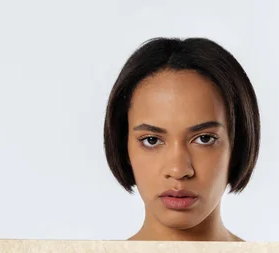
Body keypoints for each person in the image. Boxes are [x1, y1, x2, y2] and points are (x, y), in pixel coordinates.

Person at [104, 37, 260, 242]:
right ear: (123, 148)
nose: (178, 170)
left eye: (204, 139)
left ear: (238, 145)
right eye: (151, 140)